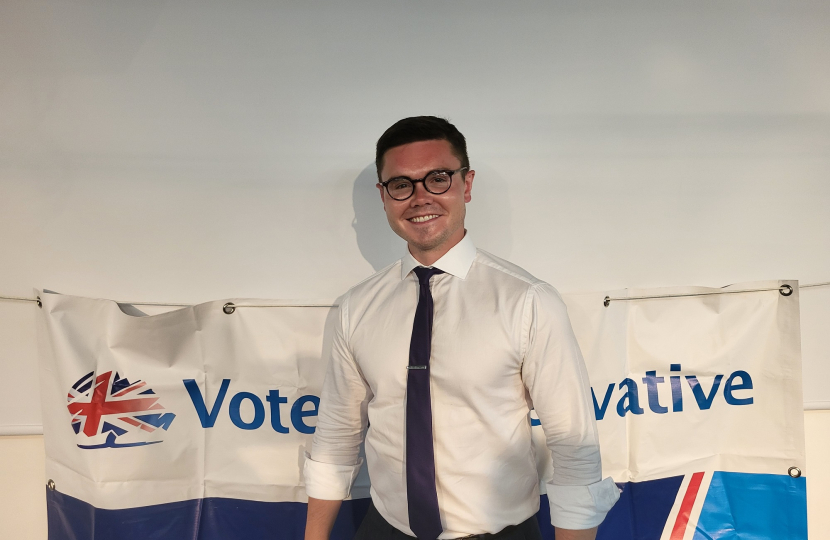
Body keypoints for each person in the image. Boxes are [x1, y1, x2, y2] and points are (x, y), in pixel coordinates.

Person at [303, 116, 619, 540]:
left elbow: (574, 449)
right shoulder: (356, 308)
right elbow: (337, 437)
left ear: (466, 184)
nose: (419, 198)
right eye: (401, 184)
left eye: (437, 178)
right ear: (383, 196)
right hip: (386, 529)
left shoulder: (527, 301)